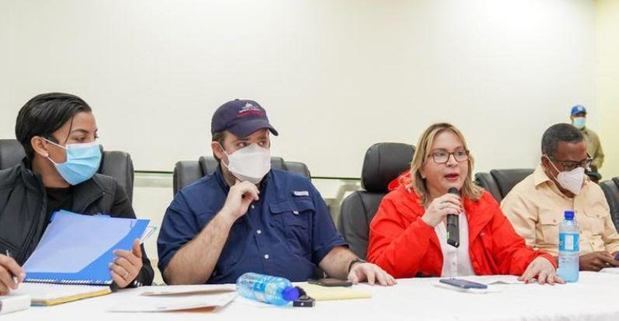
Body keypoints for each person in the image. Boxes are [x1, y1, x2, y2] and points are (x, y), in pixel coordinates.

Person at [158, 99, 394, 286]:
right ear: (219, 150)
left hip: (297, 303)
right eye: (242, 144)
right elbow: (179, 279)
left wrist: (353, 265)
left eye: (262, 142)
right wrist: (225, 217)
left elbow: (330, 252)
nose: (256, 151)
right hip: (228, 310)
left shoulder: (300, 188)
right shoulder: (189, 201)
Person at [367, 123, 560, 284]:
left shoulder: (482, 202)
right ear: (422, 169)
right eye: (440, 155)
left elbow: (511, 253)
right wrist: (425, 224)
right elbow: (381, 269)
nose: (453, 162)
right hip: (422, 307)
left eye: (459, 153)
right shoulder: (396, 204)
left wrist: (541, 259)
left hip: (478, 304)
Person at [0, 93, 154, 295]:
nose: (93, 146)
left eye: (94, 137)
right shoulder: (3, 189)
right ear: (41, 145)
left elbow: (145, 273)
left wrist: (133, 276)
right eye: (80, 138)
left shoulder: (108, 192)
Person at [502, 123, 619, 271]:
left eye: (583, 163)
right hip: (555, 282)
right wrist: (574, 263)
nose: (579, 171)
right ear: (546, 162)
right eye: (570, 165)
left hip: (606, 277)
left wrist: (615, 254)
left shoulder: (594, 190)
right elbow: (516, 257)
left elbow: (612, 241)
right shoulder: (522, 197)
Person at [570, 105, 604, 182]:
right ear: (571, 117)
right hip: (571, 175)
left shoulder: (593, 136)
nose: (580, 118)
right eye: (577, 115)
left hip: (591, 175)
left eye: (583, 115)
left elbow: (600, 155)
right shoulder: (565, 134)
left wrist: (594, 165)